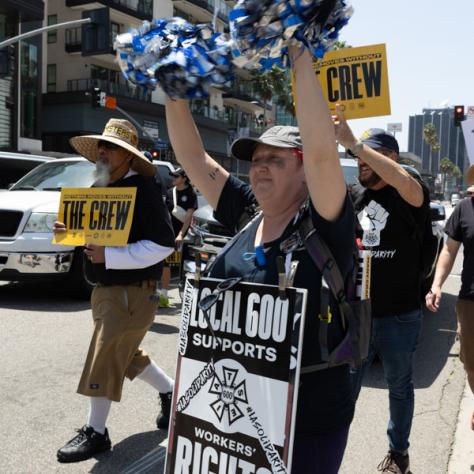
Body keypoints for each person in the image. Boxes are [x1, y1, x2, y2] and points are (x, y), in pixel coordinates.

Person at [165, 46, 356, 474]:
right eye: (255, 161)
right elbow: (193, 159)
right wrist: (172, 86)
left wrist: (300, 55)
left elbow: (324, 153)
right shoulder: (248, 212)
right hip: (235, 413)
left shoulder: (324, 222)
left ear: (305, 171)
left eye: (276, 159)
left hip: (308, 421)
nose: (259, 168)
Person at [54, 119, 176, 463]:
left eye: (113, 148)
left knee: (107, 353)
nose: (104, 152)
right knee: (123, 353)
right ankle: (170, 392)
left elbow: (164, 244)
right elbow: (93, 237)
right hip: (106, 288)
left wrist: (112, 255)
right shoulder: (101, 187)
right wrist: (68, 231)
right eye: (102, 147)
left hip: (134, 290)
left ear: (129, 156)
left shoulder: (146, 191)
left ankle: (97, 432)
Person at [334, 109, 430, 474]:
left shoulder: (410, 190)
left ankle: (398, 455)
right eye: (358, 157)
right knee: (345, 388)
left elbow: (406, 183)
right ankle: (329, 452)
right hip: (360, 314)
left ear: (389, 158)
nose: (359, 161)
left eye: (368, 155)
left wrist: (356, 142)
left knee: (399, 387)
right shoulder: (355, 197)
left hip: (401, 314)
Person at [425, 163, 474, 431]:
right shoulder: (464, 209)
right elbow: (449, 250)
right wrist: (437, 285)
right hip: (470, 300)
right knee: (470, 361)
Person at [158, 168, 198, 308]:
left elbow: (188, 216)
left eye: (176, 176)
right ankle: (163, 295)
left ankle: (188, 296)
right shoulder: (170, 192)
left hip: (183, 235)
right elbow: (165, 213)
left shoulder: (191, 194)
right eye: (173, 176)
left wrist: (181, 233)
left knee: (185, 266)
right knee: (166, 263)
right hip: (169, 234)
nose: (173, 178)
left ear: (184, 178)